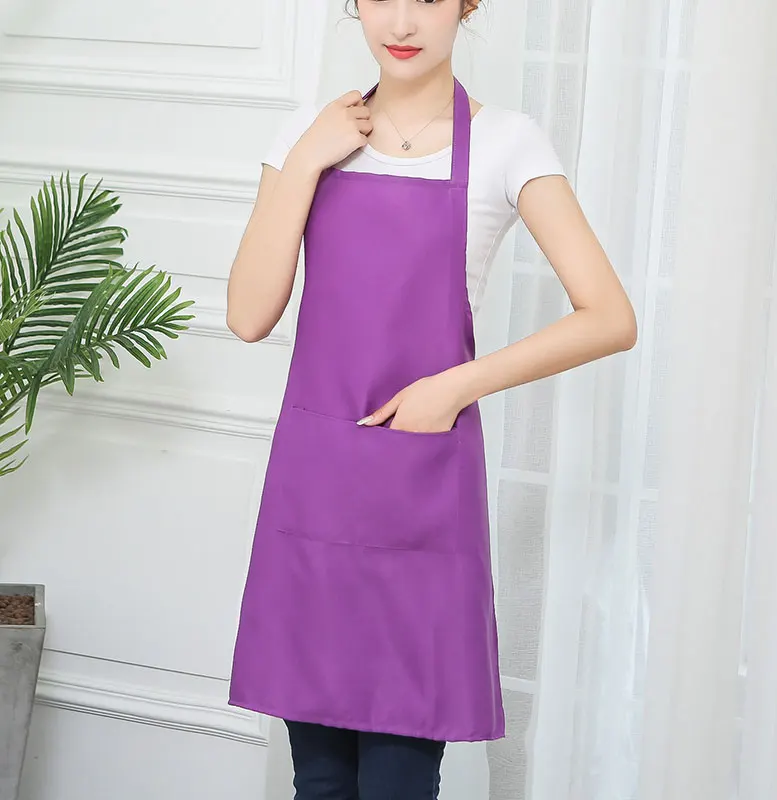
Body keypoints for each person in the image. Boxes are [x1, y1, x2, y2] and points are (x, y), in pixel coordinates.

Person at [226, 0, 637, 797]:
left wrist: (456, 385)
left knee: (400, 779)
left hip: (423, 496)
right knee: (319, 778)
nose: (403, 22)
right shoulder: (307, 136)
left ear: (466, 5)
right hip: (316, 488)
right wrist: (307, 162)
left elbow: (610, 317)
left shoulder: (507, 142)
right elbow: (248, 316)